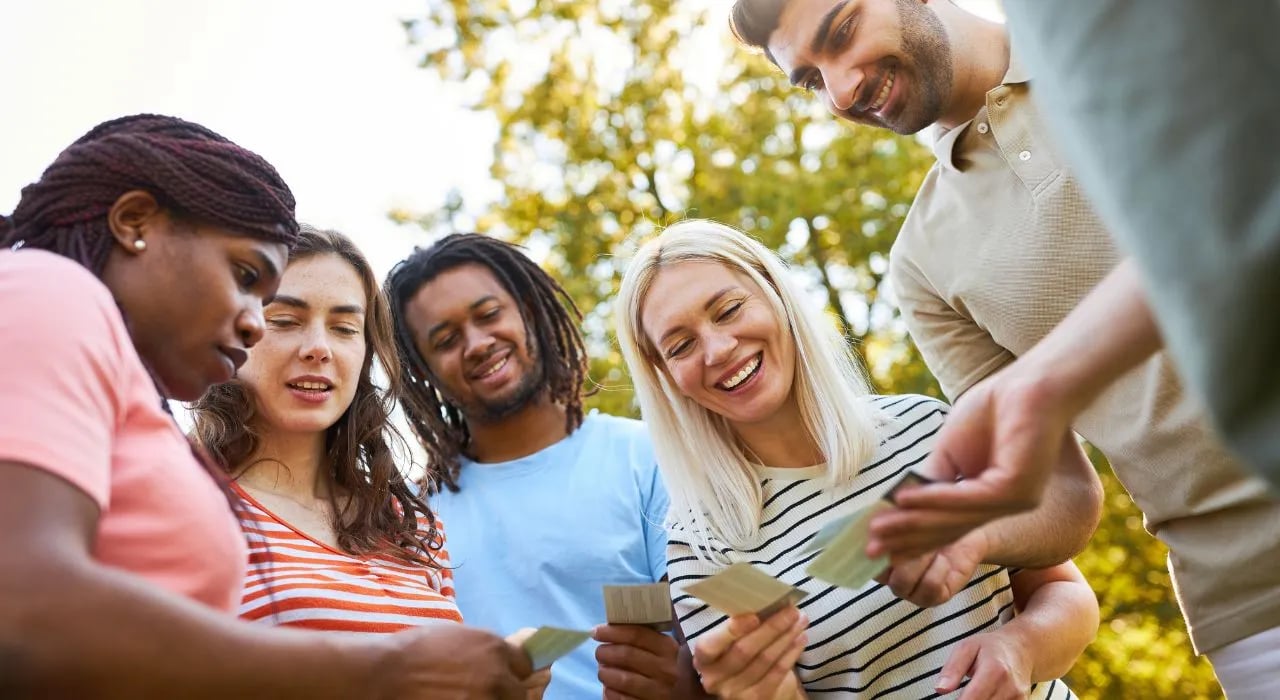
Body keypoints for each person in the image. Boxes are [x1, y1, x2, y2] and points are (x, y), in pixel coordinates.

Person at [727, 0, 1280, 684]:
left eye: (841, 32)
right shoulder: (922, 262)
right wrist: (977, 532)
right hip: (1253, 604)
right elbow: (1062, 495)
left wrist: (1043, 380)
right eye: (811, 80)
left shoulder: (1137, 31)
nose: (841, 91)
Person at [0, 114, 532, 698]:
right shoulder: (49, 288)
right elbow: (21, 610)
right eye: (247, 277)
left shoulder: (148, 426)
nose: (253, 323)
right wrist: (387, 669)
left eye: (345, 329)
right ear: (133, 222)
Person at [613, 219, 1097, 698]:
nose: (717, 350)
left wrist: (1022, 649)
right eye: (681, 345)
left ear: (775, 294)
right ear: (663, 375)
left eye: (728, 310)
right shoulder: (703, 543)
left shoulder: (928, 429)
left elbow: (1067, 595)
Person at [384, 233, 679, 699]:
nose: (477, 343)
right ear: (424, 369)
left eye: (489, 314)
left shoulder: (646, 457)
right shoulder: (413, 519)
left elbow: (705, 636)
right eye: (445, 339)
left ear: (528, 310)